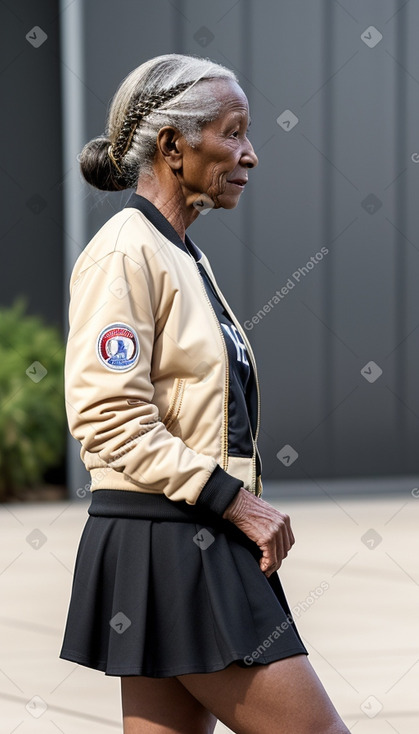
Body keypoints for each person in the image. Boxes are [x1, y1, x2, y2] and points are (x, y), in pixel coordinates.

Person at [59, 53, 350, 734]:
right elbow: (107, 416)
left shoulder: (181, 253)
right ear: (171, 145)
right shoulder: (125, 253)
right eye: (232, 132)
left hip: (183, 537)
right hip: (171, 541)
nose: (248, 155)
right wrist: (237, 503)